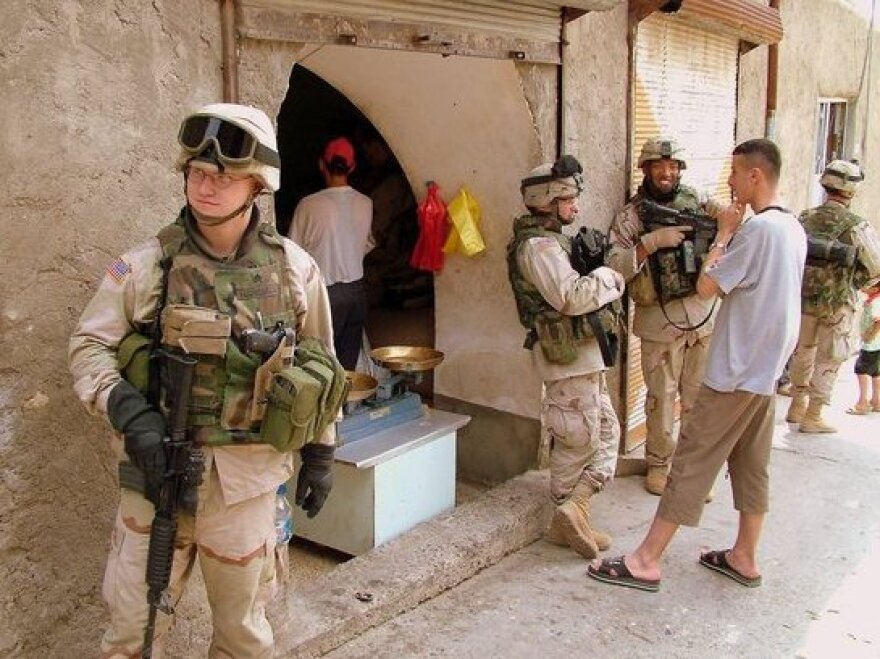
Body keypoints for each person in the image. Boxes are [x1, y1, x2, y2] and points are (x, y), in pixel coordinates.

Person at [69, 103, 340, 657]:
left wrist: (321, 453)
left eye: (223, 176)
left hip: (244, 488)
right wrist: (126, 407)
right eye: (197, 173)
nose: (206, 186)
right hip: (155, 477)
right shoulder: (146, 267)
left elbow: (323, 364)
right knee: (132, 634)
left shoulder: (294, 270)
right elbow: (88, 345)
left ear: (257, 186)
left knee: (243, 636)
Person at [587, 139, 806, 592]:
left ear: (755, 177)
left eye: (735, 172)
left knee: (690, 460)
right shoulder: (792, 228)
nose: (728, 181)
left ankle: (646, 560)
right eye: (659, 165)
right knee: (750, 464)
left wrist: (724, 234)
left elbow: (708, 286)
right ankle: (744, 556)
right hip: (762, 369)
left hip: (736, 369)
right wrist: (649, 243)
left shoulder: (757, 230)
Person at [506, 155, 626, 559]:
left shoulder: (552, 240)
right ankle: (566, 513)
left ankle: (578, 511)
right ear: (547, 200)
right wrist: (609, 278)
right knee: (577, 436)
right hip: (566, 357)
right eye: (569, 199)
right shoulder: (538, 246)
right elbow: (571, 297)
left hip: (582, 356)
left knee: (605, 431)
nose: (575, 208)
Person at [607, 138, 720, 496]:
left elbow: (733, 226)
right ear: (646, 169)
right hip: (659, 320)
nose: (667, 173)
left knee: (698, 398)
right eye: (659, 166)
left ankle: (692, 470)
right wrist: (650, 243)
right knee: (660, 398)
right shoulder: (632, 216)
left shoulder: (699, 200)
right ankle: (659, 464)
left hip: (701, 315)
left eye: (672, 167)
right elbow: (613, 266)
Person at [786, 160, 880, 432]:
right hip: (838, 303)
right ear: (851, 191)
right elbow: (875, 267)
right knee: (830, 357)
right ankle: (813, 415)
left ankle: (796, 405)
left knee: (803, 350)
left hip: (803, 300)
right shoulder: (856, 225)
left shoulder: (804, 217)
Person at [289, 136, 374, 370]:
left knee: (320, 363)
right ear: (353, 166)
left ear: (321, 164)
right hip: (356, 293)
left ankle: (327, 407)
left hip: (323, 294)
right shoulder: (365, 203)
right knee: (347, 365)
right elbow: (367, 244)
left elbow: (292, 255)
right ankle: (345, 405)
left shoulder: (308, 205)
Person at [846, 282, 880, 415]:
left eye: (868, 284)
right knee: (876, 372)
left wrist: (870, 335)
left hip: (871, 344)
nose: (863, 286)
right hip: (877, 344)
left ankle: (862, 403)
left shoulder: (875, 302)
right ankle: (877, 401)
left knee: (862, 370)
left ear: (876, 288)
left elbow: (878, 320)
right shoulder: (873, 300)